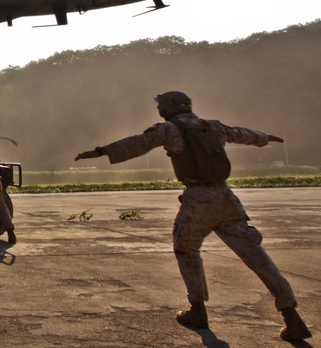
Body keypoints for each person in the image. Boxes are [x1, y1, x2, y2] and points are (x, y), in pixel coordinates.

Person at [74, 91, 311, 341]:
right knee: (257, 256)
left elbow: (137, 143)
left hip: (198, 198)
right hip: (226, 197)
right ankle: (291, 316)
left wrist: (100, 151)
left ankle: (197, 309)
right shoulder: (213, 127)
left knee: (186, 250)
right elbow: (240, 133)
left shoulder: (169, 129)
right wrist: (265, 138)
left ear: (167, 109)